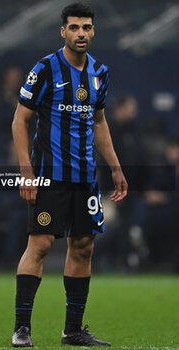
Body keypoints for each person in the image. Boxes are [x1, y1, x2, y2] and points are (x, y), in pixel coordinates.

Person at [11, 2, 127, 347]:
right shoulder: (46, 68)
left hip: (86, 178)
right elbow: (20, 120)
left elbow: (100, 122)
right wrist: (26, 173)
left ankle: (73, 331)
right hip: (50, 175)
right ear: (63, 31)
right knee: (41, 244)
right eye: (74, 27)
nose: (81, 34)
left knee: (84, 247)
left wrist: (116, 167)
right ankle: (22, 330)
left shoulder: (99, 72)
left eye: (87, 28)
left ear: (93, 31)